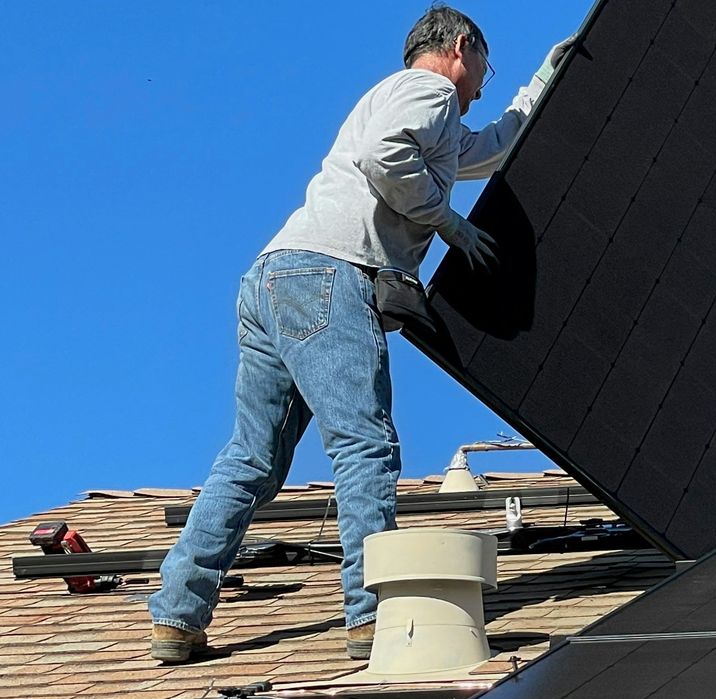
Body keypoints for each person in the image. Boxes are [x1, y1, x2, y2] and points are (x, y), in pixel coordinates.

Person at [147, 5, 575, 663]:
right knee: (364, 443)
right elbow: (385, 157)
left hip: (273, 278)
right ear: (462, 47)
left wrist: (545, 80)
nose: (488, 77)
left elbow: (486, 150)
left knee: (252, 459)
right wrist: (448, 224)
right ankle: (371, 618)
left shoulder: (408, 104)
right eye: (488, 63)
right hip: (329, 275)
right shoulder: (427, 91)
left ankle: (177, 613)